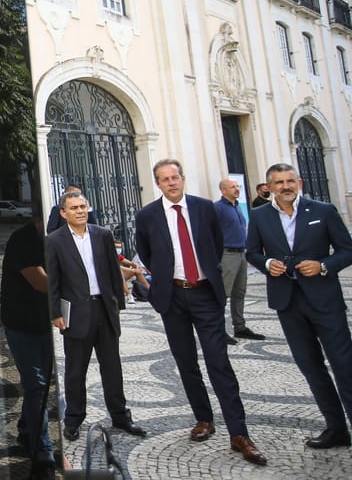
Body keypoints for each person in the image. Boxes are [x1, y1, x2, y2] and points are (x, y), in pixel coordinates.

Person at [134, 159, 266, 465]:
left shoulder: (205, 208)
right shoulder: (147, 215)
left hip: (205, 293)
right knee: (186, 362)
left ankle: (239, 433)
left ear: (183, 178)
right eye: (165, 179)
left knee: (218, 361)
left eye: (175, 177)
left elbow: (215, 243)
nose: (171, 182)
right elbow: (146, 251)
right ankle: (204, 419)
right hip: (173, 297)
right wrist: (167, 279)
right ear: (158, 183)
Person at [246, 163, 352, 449]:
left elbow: (347, 249)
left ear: (300, 182)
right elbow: (252, 252)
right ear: (269, 187)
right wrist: (268, 264)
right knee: (311, 367)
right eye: (279, 182)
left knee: (345, 366)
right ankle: (336, 428)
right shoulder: (259, 216)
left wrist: (324, 265)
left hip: (325, 300)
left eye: (290, 181)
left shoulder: (323, 211)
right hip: (288, 303)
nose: (285, 186)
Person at [47, 191, 145, 442]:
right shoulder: (54, 240)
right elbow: (53, 281)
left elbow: (113, 271)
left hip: (104, 309)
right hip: (77, 313)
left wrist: (117, 306)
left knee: (112, 367)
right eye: (74, 208)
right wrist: (55, 313)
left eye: (83, 206)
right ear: (63, 213)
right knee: (75, 370)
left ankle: (121, 416)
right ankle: (73, 419)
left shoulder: (102, 234)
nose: (80, 211)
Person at [1, 206, 56, 476]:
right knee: (36, 385)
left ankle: (26, 428)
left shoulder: (56, 236)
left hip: (46, 322)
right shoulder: (23, 239)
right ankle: (42, 447)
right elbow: (41, 282)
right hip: (21, 323)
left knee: (42, 384)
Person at [212, 178, 264, 345]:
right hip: (227, 254)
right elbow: (211, 231)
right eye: (232, 187)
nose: (236, 189)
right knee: (223, 293)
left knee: (239, 292)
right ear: (223, 190)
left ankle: (240, 326)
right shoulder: (218, 208)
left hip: (241, 253)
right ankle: (218, 329)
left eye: (237, 186)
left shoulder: (237, 207)